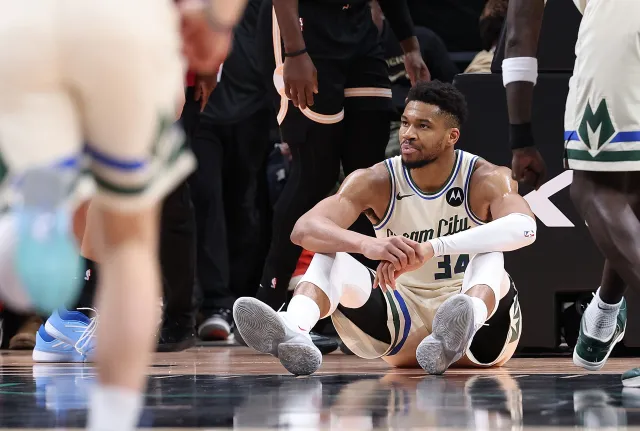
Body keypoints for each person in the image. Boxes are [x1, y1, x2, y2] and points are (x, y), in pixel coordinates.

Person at [0, 1, 247, 431]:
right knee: (129, 237)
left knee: (52, 161)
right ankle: (113, 413)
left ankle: (35, 221)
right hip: (122, 26)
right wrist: (216, 23)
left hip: (23, 22)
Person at [234, 81, 536, 376]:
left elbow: (525, 228)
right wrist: (367, 244)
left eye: (423, 126)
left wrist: (433, 247)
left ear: (451, 136)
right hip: (404, 322)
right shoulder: (377, 180)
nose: (408, 134)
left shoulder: (485, 177)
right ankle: (294, 328)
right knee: (330, 255)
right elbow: (303, 229)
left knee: (491, 255)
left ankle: (459, 325)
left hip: (480, 335)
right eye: (405, 123)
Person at [253, 0, 430, 312]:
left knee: (367, 176)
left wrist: (410, 46)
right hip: (303, 26)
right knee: (315, 174)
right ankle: (270, 298)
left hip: (358, 22)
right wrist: (295, 51)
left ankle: (364, 302)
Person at [503, 0, 638, 385]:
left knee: (594, 190)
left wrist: (521, 138)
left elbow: (518, 37)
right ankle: (604, 313)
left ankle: (604, 314)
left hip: (622, 30)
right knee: (630, 190)